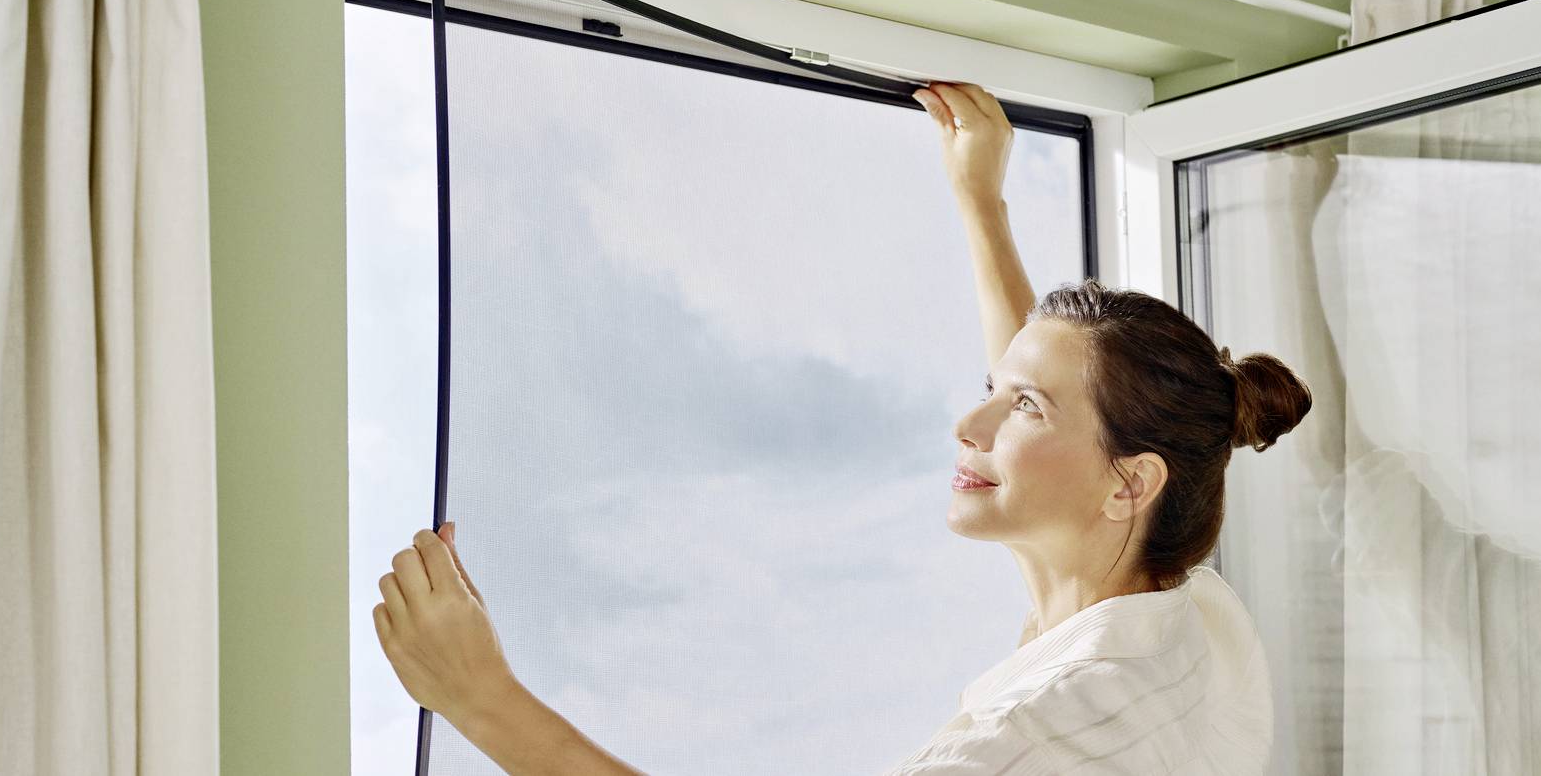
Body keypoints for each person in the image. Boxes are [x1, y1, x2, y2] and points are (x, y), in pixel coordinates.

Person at [372, 82, 1312, 775]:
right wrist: (981, 204)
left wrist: (478, 697)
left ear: (1130, 484)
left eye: (1018, 405)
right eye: (998, 387)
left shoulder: (1049, 737)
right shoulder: (1180, 608)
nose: (968, 420)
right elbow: (1069, 409)